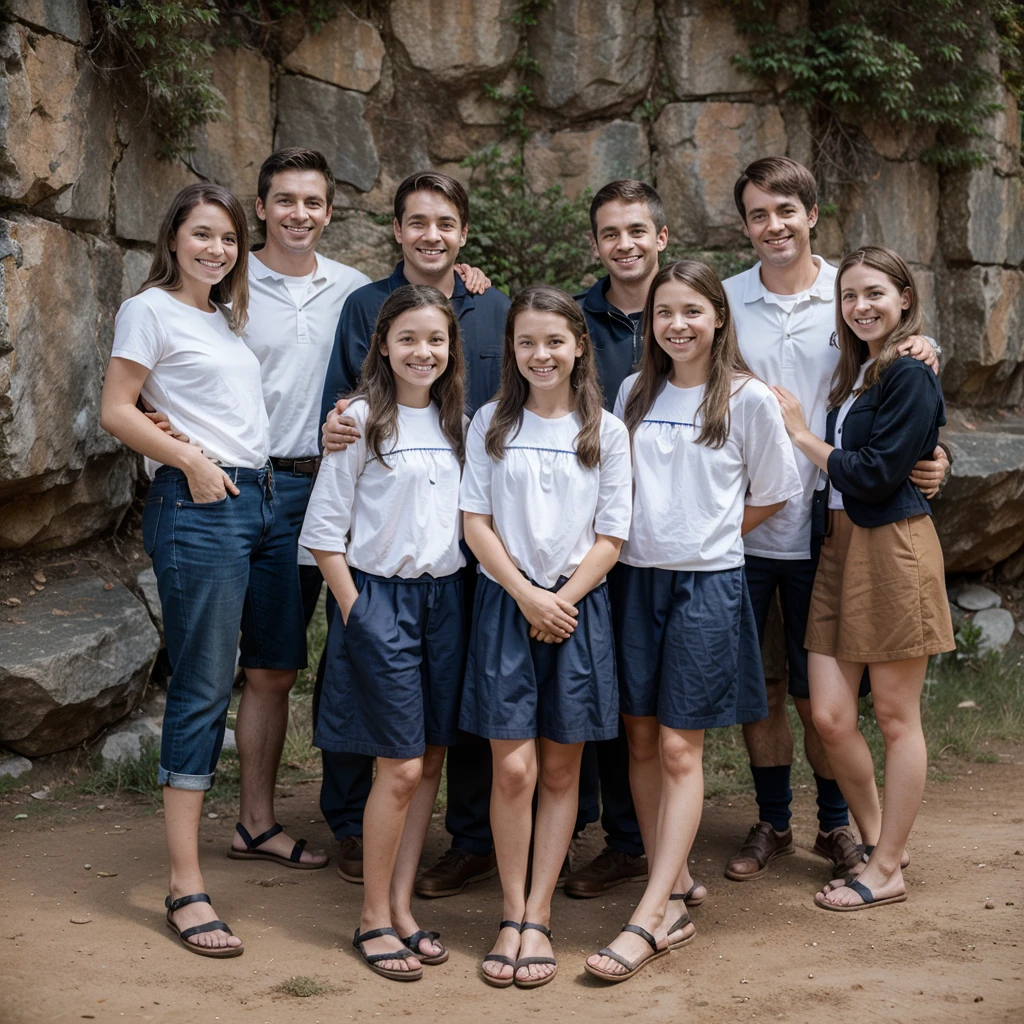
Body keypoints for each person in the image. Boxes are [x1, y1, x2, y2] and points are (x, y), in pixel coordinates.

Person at [720, 157, 949, 882]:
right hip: (751, 527)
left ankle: (847, 832)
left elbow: (900, 415)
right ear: (745, 225)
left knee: (846, 702)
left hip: (841, 528)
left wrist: (936, 455)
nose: (773, 225)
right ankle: (772, 822)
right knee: (770, 689)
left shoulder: (848, 294)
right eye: (757, 214)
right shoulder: (724, 299)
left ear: (812, 214)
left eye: (785, 210)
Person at [585, 261, 802, 982]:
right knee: (640, 737)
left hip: (707, 586)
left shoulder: (747, 399)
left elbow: (775, 490)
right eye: (663, 312)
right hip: (634, 582)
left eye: (691, 311)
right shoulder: (633, 392)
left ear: (717, 317)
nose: (676, 324)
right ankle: (672, 881)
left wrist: (709, 533)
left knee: (681, 747)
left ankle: (652, 914)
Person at [318, 171, 510, 896]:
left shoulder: (491, 306)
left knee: (440, 736)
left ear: (463, 232)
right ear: (397, 229)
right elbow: (343, 418)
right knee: (390, 743)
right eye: (417, 221)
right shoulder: (363, 308)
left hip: (461, 565)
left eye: (446, 222)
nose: (432, 234)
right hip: (381, 574)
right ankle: (358, 850)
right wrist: (355, 606)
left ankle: (455, 850)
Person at [100, 183, 274, 957]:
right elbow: (116, 408)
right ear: (173, 237)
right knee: (204, 684)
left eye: (229, 239)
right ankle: (184, 884)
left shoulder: (221, 319)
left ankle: (240, 834)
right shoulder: (150, 308)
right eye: (202, 234)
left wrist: (191, 439)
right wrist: (188, 458)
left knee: (250, 671)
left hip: (255, 501)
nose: (216, 249)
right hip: (201, 506)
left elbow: (170, 403)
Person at [772, 246, 955, 911]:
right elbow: (904, 452)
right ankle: (885, 846)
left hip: (894, 548)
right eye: (849, 296)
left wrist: (802, 437)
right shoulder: (858, 372)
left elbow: (877, 473)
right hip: (840, 547)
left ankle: (884, 872)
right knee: (828, 714)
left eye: (875, 293)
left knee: (896, 716)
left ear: (905, 297)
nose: (861, 306)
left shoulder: (909, 371)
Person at [459, 286, 632, 988]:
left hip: (578, 607)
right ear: (513, 351)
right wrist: (528, 595)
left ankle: (539, 915)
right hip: (508, 604)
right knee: (514, 769)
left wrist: (560, 600)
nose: (541, 354)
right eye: (527, 342)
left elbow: (613, 535)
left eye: (554, 341)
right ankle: (508, 910)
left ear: (579, 345)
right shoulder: (490, 422)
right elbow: (475, 521)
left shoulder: (606, 430)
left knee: (562, 770)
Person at [301, 285, 468, 978]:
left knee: (429, 761)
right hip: (382, 602)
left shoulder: (463, 423)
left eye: (435, 340)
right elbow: (323, 532)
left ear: (450, 348)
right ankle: (371, 917)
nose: (421, 352)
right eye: (407, 339)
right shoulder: (361, 420)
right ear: (383, 346)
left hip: (449, 603)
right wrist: (355, 609)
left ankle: (402, 907)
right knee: (395, 766)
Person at [221, 149, 369, 871]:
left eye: (313, 202)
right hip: (261, 487)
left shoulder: (356, 289)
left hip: (343, 489)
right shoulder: (228, 282)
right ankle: (255, 821)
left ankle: (360, 816)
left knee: (354, 650)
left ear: (330, 212)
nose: (299, 214)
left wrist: (468, 276)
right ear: (261, 207)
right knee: (272, 667)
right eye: (285, 200)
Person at [564, 179, 669, 899]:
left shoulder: (697, 308)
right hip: (596, 536)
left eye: (637, 230)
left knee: (667, 702)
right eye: (610, 233)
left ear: (661, 236)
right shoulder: (576, 318)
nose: (624, 244)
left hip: (674, 534)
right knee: (612, 691)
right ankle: (625, 841)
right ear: (597, 244)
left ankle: (675, 840)